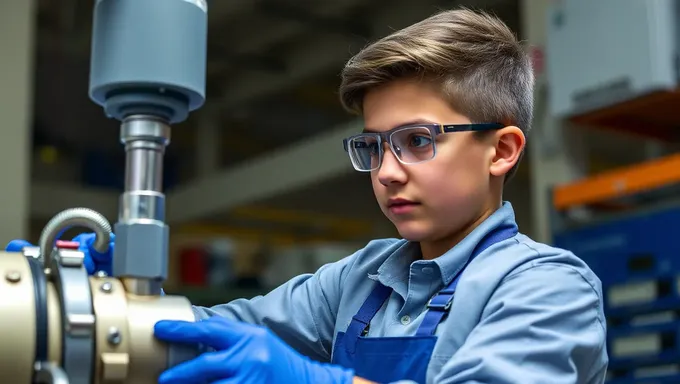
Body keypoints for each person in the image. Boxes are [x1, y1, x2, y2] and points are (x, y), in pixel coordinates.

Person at [9, 7, 608, 384]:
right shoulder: (359, 281)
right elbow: (207, 335)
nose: (387, 173)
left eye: (418, 141)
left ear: (502, 150)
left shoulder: (548, 288)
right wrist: (76, 305)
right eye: (374, 147)